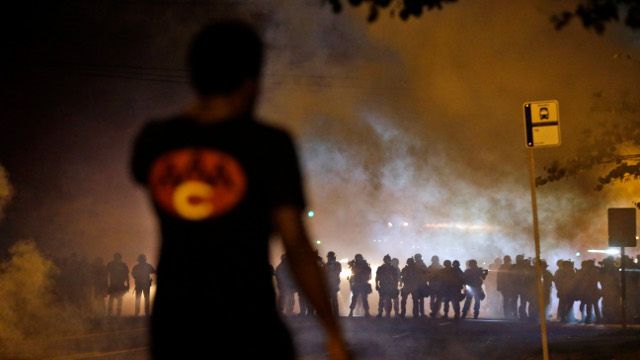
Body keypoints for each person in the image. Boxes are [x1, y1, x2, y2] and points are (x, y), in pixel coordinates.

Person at [130, 21, 350, 360]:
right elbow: (296, 246)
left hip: (175, 329)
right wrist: (334, 333)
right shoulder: (269, 145)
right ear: (250, 82)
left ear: (193, 76)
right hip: (248, 326)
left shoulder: (154, 141)